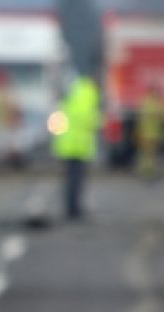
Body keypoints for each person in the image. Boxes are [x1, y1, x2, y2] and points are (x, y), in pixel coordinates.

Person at [52, 75, 100, 220]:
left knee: (70, 180)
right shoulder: (88, 93)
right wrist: (100, 121)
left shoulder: (74, 90)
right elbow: (88, 118)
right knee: (77, 181)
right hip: (79, 145)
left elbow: (61, 114)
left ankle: (71, 209)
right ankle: (74, 211)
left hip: (67, 144)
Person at [135, 85, 164, 180]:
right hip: (152, 133)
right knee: (151, 154)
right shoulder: (158, 104)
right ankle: (149, 171)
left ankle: (146, 171)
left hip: (146, 133)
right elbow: (162, 119)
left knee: (146, 154)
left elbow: (140, 120)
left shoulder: (145, 103)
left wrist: (139, 132)